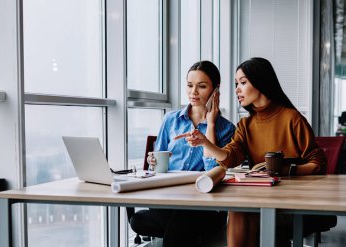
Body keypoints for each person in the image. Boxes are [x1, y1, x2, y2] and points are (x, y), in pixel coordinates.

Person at [175, 57, 327, 247]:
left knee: (250, 213)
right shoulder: (246, 125)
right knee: (239, 208)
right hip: (262, 196)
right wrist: (206, 142)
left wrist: (286, 169)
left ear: (261, 81)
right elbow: (229, 158)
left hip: (293, 200)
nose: (237, 89)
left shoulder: (292, 118)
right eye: (236, 83)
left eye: (243, 82)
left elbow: (318, 163)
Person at [129, 60, 236, 246]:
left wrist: (210, 124)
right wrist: (153, 160)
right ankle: (195, 233)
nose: (193, 92)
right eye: (189, 85)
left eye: (201, 86)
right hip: (169, 195)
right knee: (147, 221)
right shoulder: (171, 120)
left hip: (202, 200)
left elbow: (214, 170)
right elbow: (158, 157)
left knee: (175, 218)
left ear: (215, 90)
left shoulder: (226, 128)